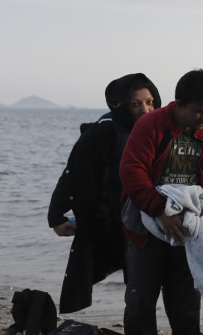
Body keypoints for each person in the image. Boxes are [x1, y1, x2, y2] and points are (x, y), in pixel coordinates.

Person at [119, 69, 203, 335]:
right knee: (141, 297)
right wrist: (159, 210)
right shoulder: (151, 124)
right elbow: (131, 170)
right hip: (147, 226)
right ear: (179, 104)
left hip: (190, 229)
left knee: (187, 295)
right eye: (199, 110)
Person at [48, 73, 159, 314]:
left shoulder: (160, 131)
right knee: (137, 290)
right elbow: (73, 173)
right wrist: (56, 217)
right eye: (136, 104)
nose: (145, 110)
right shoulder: (103, 131)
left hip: (152, 223)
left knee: (165, 283)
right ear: (119, 105)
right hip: (114, 225)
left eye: (150, 102)